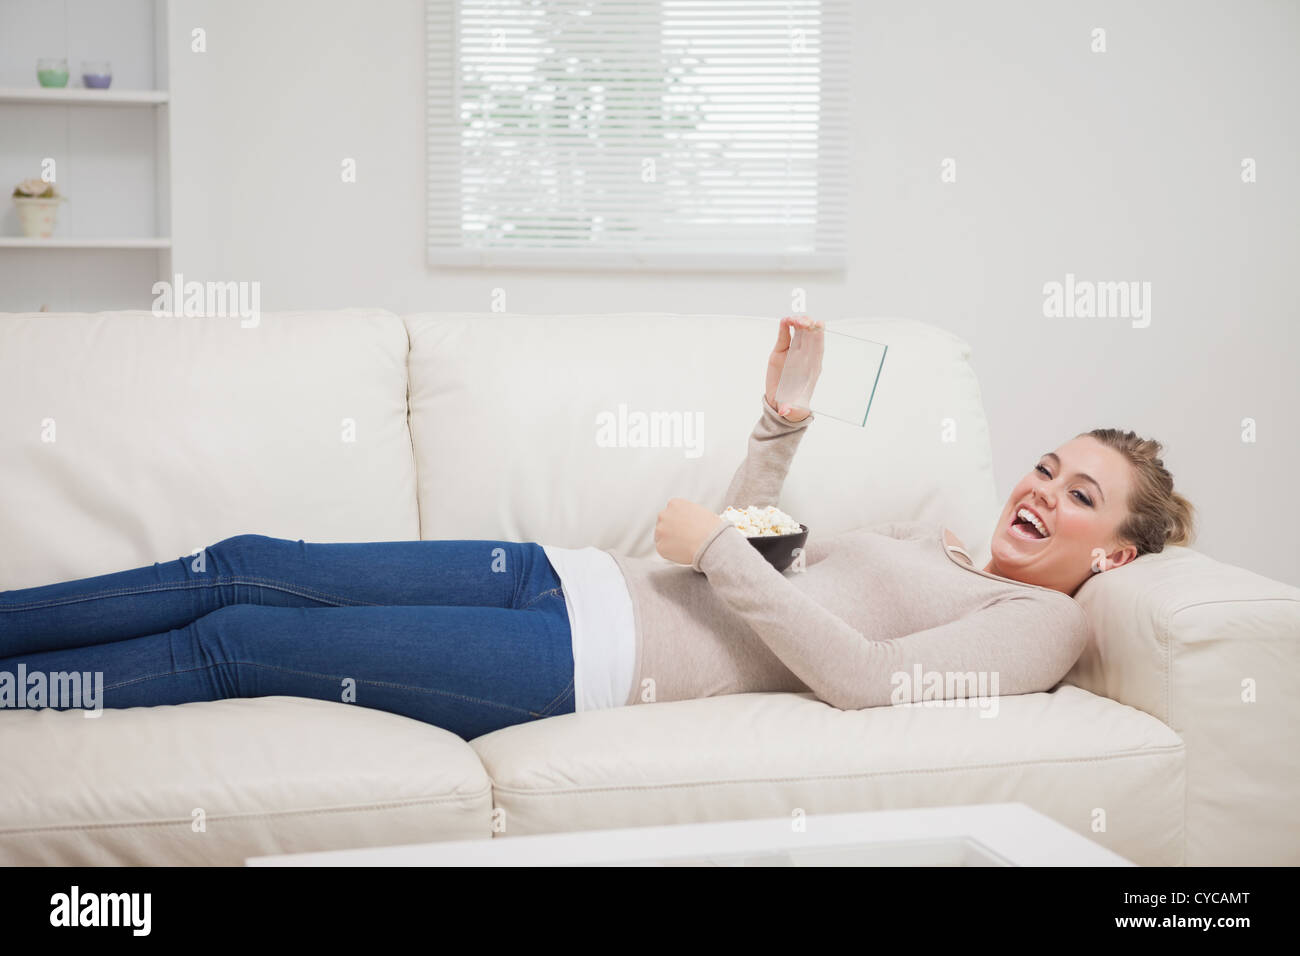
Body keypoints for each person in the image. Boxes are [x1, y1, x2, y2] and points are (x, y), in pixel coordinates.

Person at [0, 317, 1196, 740]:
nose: (1039, 487)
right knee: (247, 565)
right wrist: (777, 425)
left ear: (1116, 556)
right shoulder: (941, 547)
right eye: (1046, 464)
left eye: (1079, 494)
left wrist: (719, 549)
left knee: (241, 646)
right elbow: (758, 542)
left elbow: (873, 684)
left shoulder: (1037, 624)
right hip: (555, 574)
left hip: (585, 661)